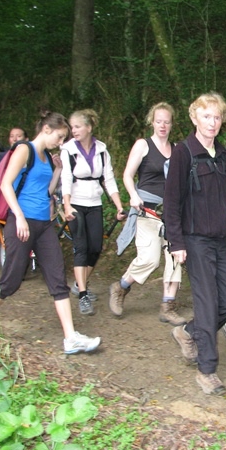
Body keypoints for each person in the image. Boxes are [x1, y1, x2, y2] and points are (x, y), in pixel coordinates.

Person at [0, 111, 101, 355]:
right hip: (21, 222)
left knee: (57, 278)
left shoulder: (48, 158)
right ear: (47, 130)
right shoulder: (24, 150)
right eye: (60, 137)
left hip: (44, 224)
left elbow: (46, 191)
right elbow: (7, 183)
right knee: (11, 280)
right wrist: (18, 217)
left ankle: (70, 337)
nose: (60, 143)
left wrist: (58, 171)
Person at [164, 92, 226, 396]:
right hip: (195, 240)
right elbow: (172, 200)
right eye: (206, 116)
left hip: (222, 238)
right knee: (207, 304)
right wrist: (175, 241)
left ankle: (188, 332)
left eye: (217, 117)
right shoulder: (183, 152)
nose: (212, 122)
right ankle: (207, 370)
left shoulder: (220, 155)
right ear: (194, 118)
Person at [109, 102, 185, 325]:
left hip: (171, 213)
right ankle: (120, 287)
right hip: (147, 210)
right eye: (159, 121)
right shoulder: (143, 145)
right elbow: (127, 175)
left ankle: (167, 306)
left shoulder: (177, 149)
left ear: (172, 124)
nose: (162, 125)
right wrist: (133, 195)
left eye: (167, 121)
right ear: (152, 122)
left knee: (174, 259)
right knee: (149, 259)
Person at [60, 109, 126, 316]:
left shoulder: (101, 150)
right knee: (81, 247)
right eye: (72, 127)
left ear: (89, 128)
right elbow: (66, 180)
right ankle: (83, 294)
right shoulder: (68, 150)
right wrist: (67, 205)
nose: (74, 131)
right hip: (76, 204)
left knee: (95, 247)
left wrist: (118, 205)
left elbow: (109, 179)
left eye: (78, 126)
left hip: (95, 203)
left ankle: (80, 283)